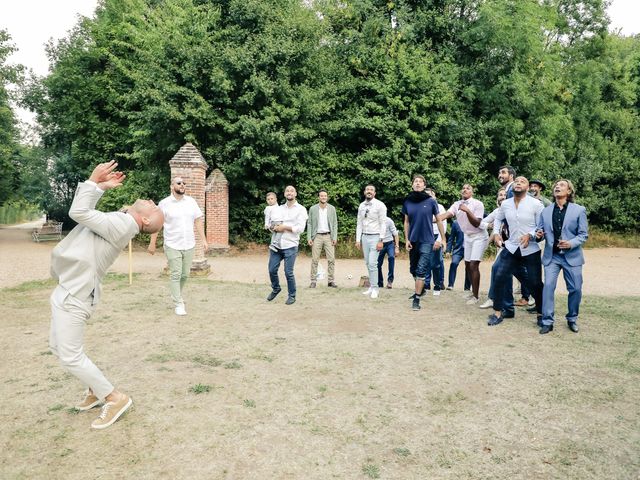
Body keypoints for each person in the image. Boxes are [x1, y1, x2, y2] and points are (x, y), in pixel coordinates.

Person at [49, 161, 164, 429]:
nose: (150, 200)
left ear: (145, 219)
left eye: (154, 206)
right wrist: (99, 187)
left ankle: (114, 397)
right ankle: (95, 390)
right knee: (59, 348)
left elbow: (78, 212)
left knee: (70, 355)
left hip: (75, 296)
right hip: (69, 290)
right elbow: (89, 213)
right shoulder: (122, 221)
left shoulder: (123, 225)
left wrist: (92, 180)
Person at [487, 177, 544, 326]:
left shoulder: (536, 204)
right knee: (499, 275)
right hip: (511, 247)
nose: (518, 183)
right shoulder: (505, 204)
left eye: (522, 182)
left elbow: (541, 226)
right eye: (516, 181)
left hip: (530, 249)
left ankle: (541, 313)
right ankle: (498, 313)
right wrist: (497, 233)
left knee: (535, 283)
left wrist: (530, 235)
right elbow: (498, 220)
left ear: (527, 187)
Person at [148, 176, 208, 316]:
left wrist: (204, 240)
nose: (182, 185)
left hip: (189, 244)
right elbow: (157, 224)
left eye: (184, 183)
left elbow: (198, 221)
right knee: (176, 274)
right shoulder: (164, 204)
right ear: (171, 186)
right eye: (179, 183)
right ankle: (178, 303)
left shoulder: (191, 202)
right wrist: (152, 243)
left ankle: (176, 294)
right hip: (172, 244)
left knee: (184, 274)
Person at [535, 179, 588, 334]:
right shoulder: (545, 211)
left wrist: (571, 243)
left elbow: (583, 235)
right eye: (556, 186)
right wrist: (538, 235)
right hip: (552, 257)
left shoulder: (579, 210)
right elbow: (540, 233)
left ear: (569, 191)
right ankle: (547, 321)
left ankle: (572, 318)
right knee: (548, 287)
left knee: (576, 289)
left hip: (572, 256)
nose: (557, 187)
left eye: (562, 185)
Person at [438, 184, 488, 305]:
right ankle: (472, 292)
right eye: (463, 188)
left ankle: (476, 296)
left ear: (472, 192)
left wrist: (467, 210)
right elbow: (444, 216)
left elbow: (477, 223)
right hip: (467, 237)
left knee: (473, 265)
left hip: (479, 236)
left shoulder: (478, 204)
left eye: (468, 188)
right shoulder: (457, 204)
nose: (465, 189)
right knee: (467, 265)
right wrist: (430, 219)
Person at [403, 175, 446, 311]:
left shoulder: (431, 201)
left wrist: (442, 238)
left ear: (424, 186)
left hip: (427, 240)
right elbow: (406, 222)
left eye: (420, 182)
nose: (418, 183)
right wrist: (407, 239)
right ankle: (420, 290)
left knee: (421, 270)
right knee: (413, 269)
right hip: (413, 240)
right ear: (412, 185)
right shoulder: (407, 201)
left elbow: (439, 220)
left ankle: (416, 299)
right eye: (415, 181)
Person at [267, 185, 308, 305]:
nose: (289, 192)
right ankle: (276, 288)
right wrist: (272, 227)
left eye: (292, 191)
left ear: (295, 194)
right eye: (287, 191)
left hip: (290, 245)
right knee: (271, 269)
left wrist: (285, 227)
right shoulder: (278, 208)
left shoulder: (301, 209)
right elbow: (272, 223)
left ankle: (292, 295)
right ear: (284, 194)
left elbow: (300, 228)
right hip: (276, 245)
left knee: (288, 272)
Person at [356, 184, 387, 299]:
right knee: (368, 263)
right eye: (367, 189)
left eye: (371, 190)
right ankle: (371, 287)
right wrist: (357, 239)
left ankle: (375, 288)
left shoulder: (380, 205)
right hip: (365, 237)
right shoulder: (361, 205)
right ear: (364, 192)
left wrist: (381, 240)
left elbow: (383, 223)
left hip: (375, 237)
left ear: (375, 193)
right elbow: (359, 223)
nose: (369, 191)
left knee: (373, 263)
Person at [479, 188, 507, 309]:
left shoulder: (516, 209)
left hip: (519, 246)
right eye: (500, 195)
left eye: (504, 195)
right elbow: (481, 222)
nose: (502, 197)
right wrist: (490, 226)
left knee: (524, 274)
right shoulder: (497, 212)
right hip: (503, 247)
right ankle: (492, 298)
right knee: (496, 268)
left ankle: (532, 297)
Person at [307, 189, 338, 288]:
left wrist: (334, 237)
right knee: (315, 259)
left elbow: (335, 224)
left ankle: (331, 281)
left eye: (325, 196)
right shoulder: (313, 209)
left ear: (327, 197)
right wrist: (309, 237)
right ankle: (313, 281)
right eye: (321, 196)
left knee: (331, 259)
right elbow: (310, 224)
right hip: (317, 236)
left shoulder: (332, 208)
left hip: (329, 236)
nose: (323, 197)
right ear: (318, 197)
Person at [424, 188, 446, 295]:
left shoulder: (440, 207)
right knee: (426, 262)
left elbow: (443, 224)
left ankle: (437, 285)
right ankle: (426, 284)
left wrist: (439, 240)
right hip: (425, 237)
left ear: (434, 196)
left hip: (436, 236)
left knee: (436, 263)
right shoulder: (422, 207)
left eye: (430, 195)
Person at [445, 219, 470, 291]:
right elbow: (451, 238)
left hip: (470, 249)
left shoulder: (473, 221)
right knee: (454, 263)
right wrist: (448, 250)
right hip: (459, 249)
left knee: (469, 267)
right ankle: (450, 285)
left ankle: (467, 288)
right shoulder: (456, 223)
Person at [377, 216, 400, 289]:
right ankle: (380, 283)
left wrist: (397, 247)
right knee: (378, 264)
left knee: (391, 257)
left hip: (389, 243)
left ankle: (390, 281)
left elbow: (395, 234)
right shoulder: (375, 221)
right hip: (380, 244)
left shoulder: (389, 221)